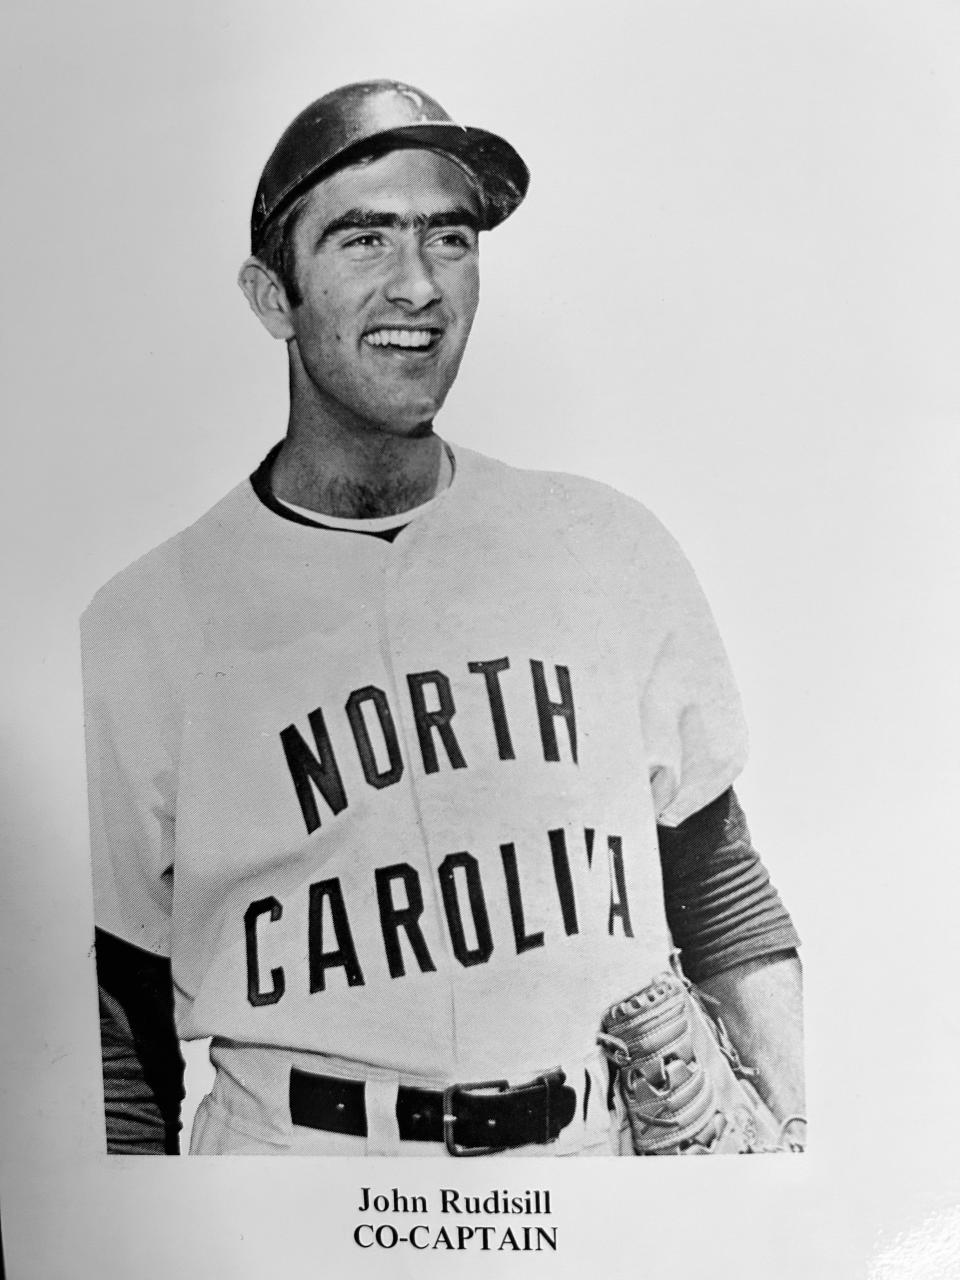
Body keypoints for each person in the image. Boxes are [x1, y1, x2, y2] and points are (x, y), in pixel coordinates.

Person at [83, 79, 804, 1157]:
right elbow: (115, 1024)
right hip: (297, 1179)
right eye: (363, 239)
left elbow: (720, 891)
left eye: (450, 238)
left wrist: (797, 1143)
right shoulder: (143, 624)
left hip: (590, 1167)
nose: (417, 283)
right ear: (270, 295)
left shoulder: (602, 544)